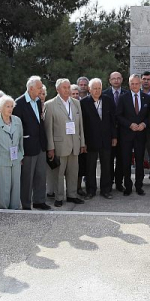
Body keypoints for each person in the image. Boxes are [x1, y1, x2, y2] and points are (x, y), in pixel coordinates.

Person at [44, 78, 87, 207]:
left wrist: (82, 143)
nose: (67, 90)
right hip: (59, 145)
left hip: (74, 144)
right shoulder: (50, 104)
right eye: (64, 87)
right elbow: (48, 128)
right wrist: (50, 147)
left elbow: (80, 126)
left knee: (73, 172)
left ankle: (72, 195)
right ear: (58, 89)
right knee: (58, 173)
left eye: (68, 87)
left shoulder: (76, 103)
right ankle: (59, 197)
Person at [13, 76, 51, 211]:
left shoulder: (38, 102)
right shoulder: (19, 103)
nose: (42, 89)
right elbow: (16, 128)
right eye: (39, 87)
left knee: (41, 174)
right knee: (27, 178)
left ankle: (39, 201)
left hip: (40, 145)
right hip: (27, 147)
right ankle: (26, 203)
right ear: (31, 88)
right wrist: (19, 150)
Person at [80, 78, 117, 199]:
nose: (97, 91)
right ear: (89, 89)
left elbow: (113, 121)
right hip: (90, 140)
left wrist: (114, 136)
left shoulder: (108, 100)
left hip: (106, 139)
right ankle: (91, 190)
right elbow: (82, 124)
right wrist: (83, 142)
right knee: (90, 167)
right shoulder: (84, 102)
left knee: (106, 165)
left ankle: (106, 190)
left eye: (99, 88)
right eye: (94, 88)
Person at [116, 74, 150, 195]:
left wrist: (144, 124)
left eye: (136, 83)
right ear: (129, 84)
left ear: (140, 84)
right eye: (132, 84)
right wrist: (129, 124)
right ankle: (128, 186)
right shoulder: (123, 97)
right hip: (126, 135)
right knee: (126, 161)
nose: (134, 86)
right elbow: (119, 116)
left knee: (140, 161)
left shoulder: (147, 98)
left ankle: (139, 185)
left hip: (141, 135)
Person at [0, 94, 24, 210]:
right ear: (1, 108)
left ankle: (15, 209)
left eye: (11, 106)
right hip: (1, 160)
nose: (10, 109)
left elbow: (21, 140)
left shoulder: (17, 121)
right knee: (4, 187)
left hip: (16, 159)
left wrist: (21, 155)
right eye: (7, 106)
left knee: (16, 186)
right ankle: (3, 210)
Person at [102, 71, 126, 191]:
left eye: (118, 78)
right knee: (108, 159)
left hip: (123, 133)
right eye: (113, 79)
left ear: (122, 79)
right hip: (108, 133)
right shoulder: (104, 94)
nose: (116, 80)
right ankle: (109, 181)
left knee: (121, 159)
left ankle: (119, 182)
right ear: (110, 80)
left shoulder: (127, 94)